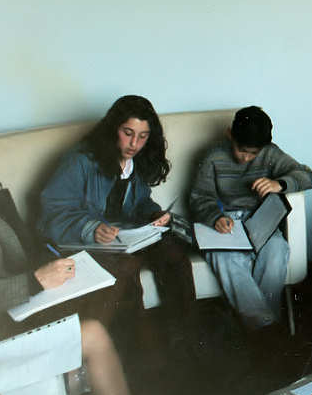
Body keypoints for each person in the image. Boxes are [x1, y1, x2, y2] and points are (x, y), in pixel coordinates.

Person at [0, 114, 130, 395]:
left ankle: (73, 374)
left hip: (10, 305)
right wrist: (34, 281)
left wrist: (41, 272)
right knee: (94, 333)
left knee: (110, 284)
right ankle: (72, 375)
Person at [37, 95, 195, 318]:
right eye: (128, 133)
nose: (134, 144)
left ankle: (185, 330)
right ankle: (139, 336)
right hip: (83, 241)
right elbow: (53, 212)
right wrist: (91, 228)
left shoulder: (136, 161)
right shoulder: (80, 160)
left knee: (173, 253)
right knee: (126, 266)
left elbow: (141, 201)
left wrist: (154, 213)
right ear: (113, 129)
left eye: (142, 136)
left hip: (123, 238)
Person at [190, 106, 312, 330]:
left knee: (277, 250)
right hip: (226, 221)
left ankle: (259, 329)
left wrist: (279, 184)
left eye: (253, 153)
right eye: (242, 150)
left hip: (260, 221)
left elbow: (307, 176)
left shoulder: (270, 153)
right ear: (230, 135)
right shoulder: (213, 157)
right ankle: (266, 328)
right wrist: (215, 217)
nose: (246, 158)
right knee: (226, 259)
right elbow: (200, 197)